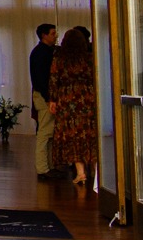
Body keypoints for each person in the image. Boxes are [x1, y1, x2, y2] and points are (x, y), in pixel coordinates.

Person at [50, 25, 100, 188]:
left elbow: (53, 80)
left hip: (67, 100)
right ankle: (98, 174)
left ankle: (80, 173)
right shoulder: (89, 58)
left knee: (72, 136)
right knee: (90, 135)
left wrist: (53, 100)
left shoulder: (60, 59)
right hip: (87, 99)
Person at [29, 23, 58, 178]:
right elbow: (41, 79)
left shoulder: (45, 51)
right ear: (44, 35)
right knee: (45, 133)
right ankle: (42, 168)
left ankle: (49, 165)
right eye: (53, 33)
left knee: (49, 132)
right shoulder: (40, 53)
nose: (56, 36)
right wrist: (49, 98)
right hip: (44, 96)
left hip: (45, 95)